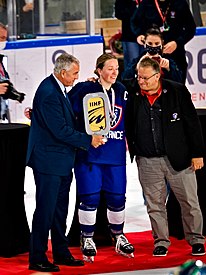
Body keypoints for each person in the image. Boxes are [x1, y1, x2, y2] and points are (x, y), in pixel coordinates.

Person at [26, 52, 105, 273]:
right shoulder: (50, 92)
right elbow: (60, 130)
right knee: (46, 210)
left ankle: (61, 252)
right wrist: (89, 139)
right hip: (49, 162)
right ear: (62, 73)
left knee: (60, 210)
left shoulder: (57, 88)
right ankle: (38, 257)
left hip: (59, 161)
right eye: (74, 74)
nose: (76, 78)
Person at [124, 56, 206, 257]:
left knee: (189, 202)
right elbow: (116, 80)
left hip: (179, 159)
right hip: (147, 161)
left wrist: (197, 153)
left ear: (157, 75)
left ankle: (196, 239)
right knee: (155, 205)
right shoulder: (133, 92)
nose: (140, 81)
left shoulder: (177, 90)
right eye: (139, 77)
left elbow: (192, 123)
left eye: (145, 78)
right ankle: (161, 241)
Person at [68, 53, 134, 263]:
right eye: (110, 68)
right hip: (90, 155)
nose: (114, 72)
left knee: (117, 198)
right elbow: (66, 112)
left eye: (116, 68)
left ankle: (118, 234)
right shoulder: (83, 90)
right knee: (90, 198)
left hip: (115, 155)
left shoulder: (122, 90)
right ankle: (86, 238)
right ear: (98, 70)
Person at [130, 0, 196, 82]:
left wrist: (177, 43)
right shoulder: (147, 3)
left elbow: (191, 28)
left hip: (175, 53)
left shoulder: (180, 3)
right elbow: (134, 21)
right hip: (152, 53)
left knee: (178, 85)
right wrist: (139, 34)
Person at [114, 0, 143, 71]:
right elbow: (118, 14)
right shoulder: (125, 2)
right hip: (129, 35)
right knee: (132, 63)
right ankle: (130, 81)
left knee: (145, 63)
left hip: (144, 35)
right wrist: (134, 11)